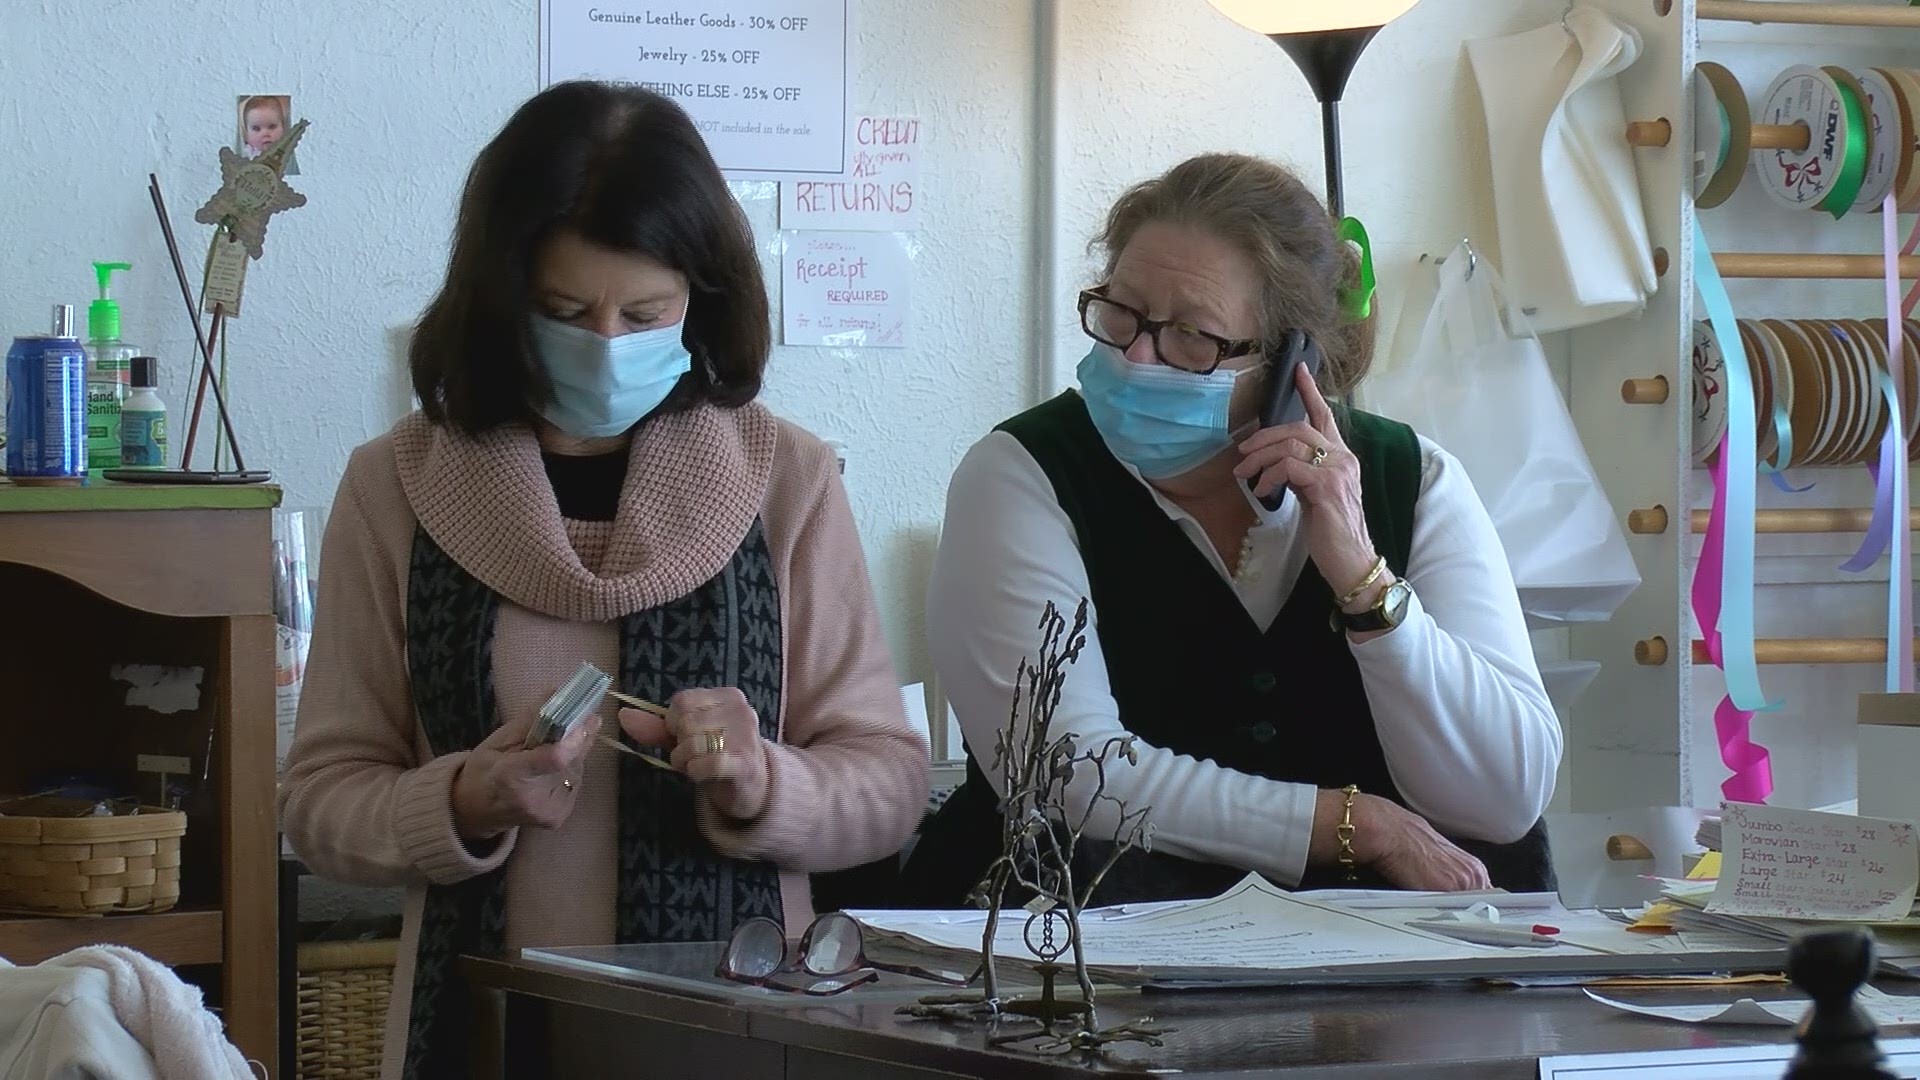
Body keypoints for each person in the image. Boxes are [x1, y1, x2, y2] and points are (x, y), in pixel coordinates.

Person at [278, 82, 929, 1080]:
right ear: (501, 298)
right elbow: (319, 802)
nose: (609, 343)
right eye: (565, 311)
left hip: (741, 1038)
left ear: (698, 304)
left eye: (647, 312)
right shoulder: (401, 483)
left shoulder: (781, 478)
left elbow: (887, 783)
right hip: (482, 1037)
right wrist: (463, 801)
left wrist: (765, 786)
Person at [901, 153, 1561, 908]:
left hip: (1383, 965)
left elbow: (1506, 797)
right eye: (1120, 311)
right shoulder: (1021, 475)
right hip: (1084, 946)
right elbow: (1070, 770)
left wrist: (1361, 579)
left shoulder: (1414, 482)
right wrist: (1355, 825)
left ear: (1290, 365)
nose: (1134, 355)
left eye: (1191, 336)